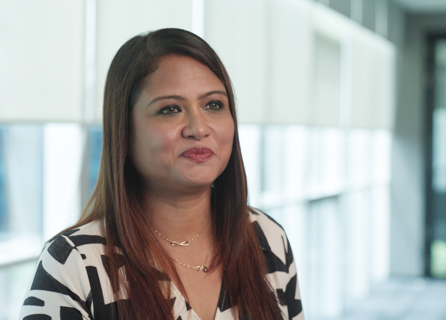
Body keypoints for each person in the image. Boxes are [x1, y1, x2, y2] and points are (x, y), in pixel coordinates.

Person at [18, 28, 303, 320]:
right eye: (170, 109)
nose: (199, 128)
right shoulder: (74, 262)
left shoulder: (265, 238)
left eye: (214, 105)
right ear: (125, 131)